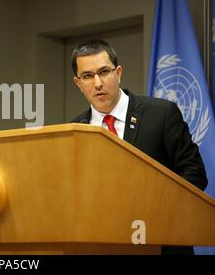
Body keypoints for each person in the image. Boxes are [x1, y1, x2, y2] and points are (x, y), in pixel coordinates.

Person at [70, 39, 208, 254]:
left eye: (104, 72)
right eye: (88, 76)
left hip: (161, 243)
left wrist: (155, 216)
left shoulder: (161, 114)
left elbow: (195, 175)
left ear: (118, 73)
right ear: (78, 83)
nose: (97, 83)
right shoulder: (73, 131)